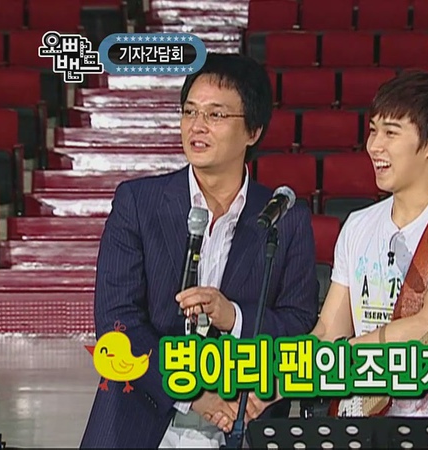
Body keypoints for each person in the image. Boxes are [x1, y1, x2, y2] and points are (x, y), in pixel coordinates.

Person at [80, 53, 319, 448]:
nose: (197, 125)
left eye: (216, 115)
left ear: (253, 130)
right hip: (139, 417)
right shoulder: (138, 203)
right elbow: (117, 323)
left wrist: (233, 317)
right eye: (189, 111)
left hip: (244, 418)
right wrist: (193, 394)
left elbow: (298, 324)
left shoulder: (284, 217)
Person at [243, 70, 428, 421]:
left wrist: (342, 356)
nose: (374, 146)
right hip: (366, 422)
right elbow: (328, 331)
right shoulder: (358, 225)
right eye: (373, 130)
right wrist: (276, 381)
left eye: (391, 133)